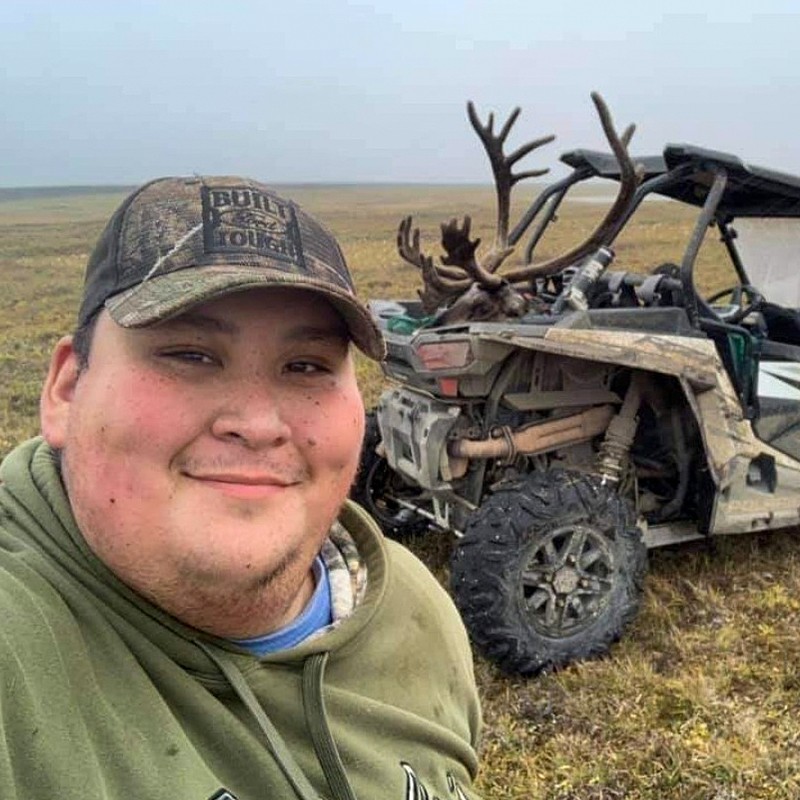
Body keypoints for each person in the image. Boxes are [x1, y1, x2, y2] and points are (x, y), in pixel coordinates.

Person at [0, 176, 483, 800]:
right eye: (190, 354)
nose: (257, 425)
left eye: (305, 366)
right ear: (67, 389)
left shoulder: (414, 611)